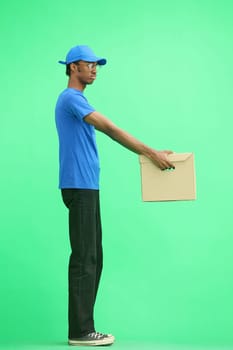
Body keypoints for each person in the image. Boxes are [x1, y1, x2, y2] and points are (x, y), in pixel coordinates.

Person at [55, 45, 175, 347]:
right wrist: (150, 152)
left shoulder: (78, 99)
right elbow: (109, 128)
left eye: (98, 65)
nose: (95, 69)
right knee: (85, 259)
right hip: (79, 187)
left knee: (94, 256)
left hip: (87, 187)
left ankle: (84, 328)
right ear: (72, 67)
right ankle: (80, 331)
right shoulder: (71, 98)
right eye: (89, 64)